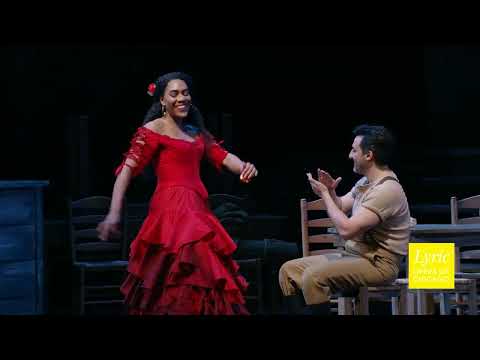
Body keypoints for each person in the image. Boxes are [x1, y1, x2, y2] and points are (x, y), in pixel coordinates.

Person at [97, 72, 258, 315]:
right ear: (161, 100)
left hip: (197, 210)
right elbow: (126, 172)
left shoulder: (196, 132)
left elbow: (222, 156)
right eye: (174, 94)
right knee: (173, 281)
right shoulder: (153, 129)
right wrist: (113, 212)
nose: (181, 98)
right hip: (170, 213)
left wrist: (245, 167)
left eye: (185, 93)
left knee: (202, 280)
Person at [278, 125, 411, 315]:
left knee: (313, 277)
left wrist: (324, 195)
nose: (350, 155)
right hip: (354, 256)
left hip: (378, 264)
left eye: (354, 150)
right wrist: (331, 191)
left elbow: (346, 230)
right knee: (288, 271)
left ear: (369, 155)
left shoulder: (387, 190)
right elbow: (341, 206)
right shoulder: (365, 182)